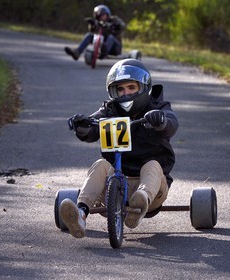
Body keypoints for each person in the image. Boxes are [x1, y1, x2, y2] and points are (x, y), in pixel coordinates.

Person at [61, 59, 179, 238]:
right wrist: (83, 127)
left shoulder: (158, 108)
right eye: (121, 89)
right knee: (101, 165)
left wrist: (161, 121)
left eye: (131, 87)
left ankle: (140, 202)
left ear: (143, 87)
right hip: (113, 188)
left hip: (152, 188)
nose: (126, 94)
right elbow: (93, 127)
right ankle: (80, 213)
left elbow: (171, 123)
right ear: (113, 92)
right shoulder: (110, 110)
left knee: (153, 165)